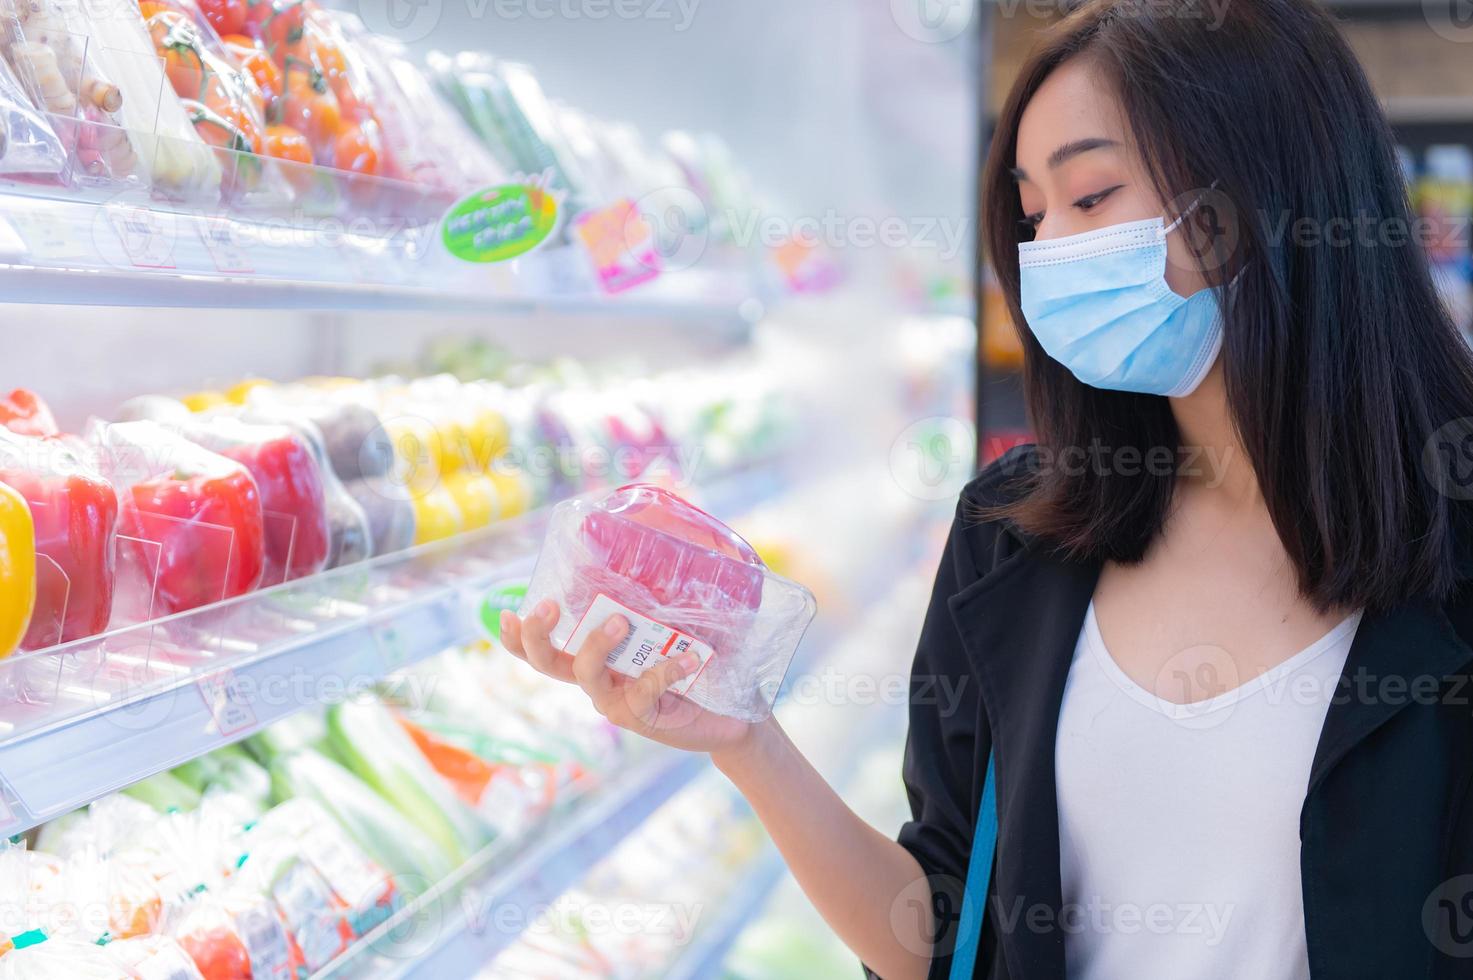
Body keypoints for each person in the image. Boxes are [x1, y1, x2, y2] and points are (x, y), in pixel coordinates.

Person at [500, 0, 1473, 975]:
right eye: (1034, 214)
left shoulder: (1449, 537)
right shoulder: (1019, 532)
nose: (1050, 255)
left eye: (1091, 197)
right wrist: (745, 738)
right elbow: (938, 929)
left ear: (1263, 195)